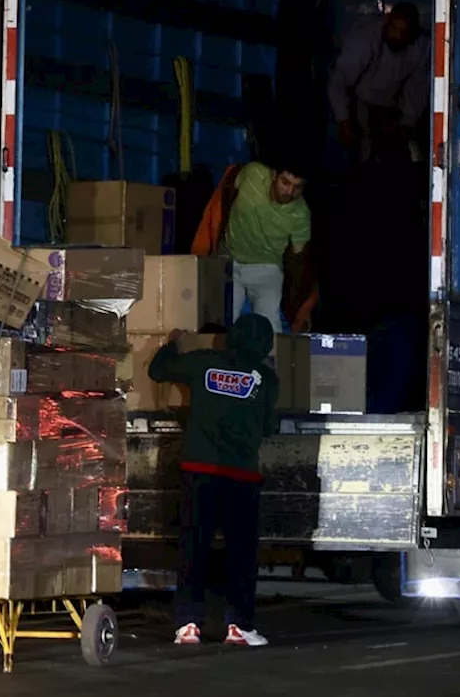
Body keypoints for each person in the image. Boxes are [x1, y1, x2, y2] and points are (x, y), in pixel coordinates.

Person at [148, 314, 279, 647]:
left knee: (193, 549)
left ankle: (187, 625)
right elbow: (269, 427)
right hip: (241, 475)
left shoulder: (203, 363)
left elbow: (158, 370)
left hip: (199, 470)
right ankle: (238, 626)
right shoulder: (266, 378)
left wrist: (172, 343)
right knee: (240, 554)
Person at [327, 2, 430, 165]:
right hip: (358, 100)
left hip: (391, 106)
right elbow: (340, 79)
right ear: (387, 21)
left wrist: (407, 123)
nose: (397, 36)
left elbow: (417, 88)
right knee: (362, 155)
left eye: (404, 32)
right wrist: (343, 121)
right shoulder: (364, 38)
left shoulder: (422, 46)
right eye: (394, 29)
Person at [221, 161, 311, 333]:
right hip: (229, 261)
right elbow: (227, 193)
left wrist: (296, 306)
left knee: (270, 329)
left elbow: (298, 259)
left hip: (267, 268)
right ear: (274, 175)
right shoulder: (253, 173)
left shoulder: (301, 214)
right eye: (285, 182)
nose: (290, 192)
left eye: (298, 187)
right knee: (222, 325)